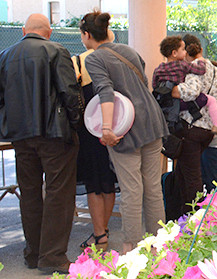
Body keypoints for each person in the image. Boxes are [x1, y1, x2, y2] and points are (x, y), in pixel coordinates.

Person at [81, 11, 168, 253]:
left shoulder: (94, 58)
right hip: (152, 121)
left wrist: (107, 129)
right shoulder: (127, 50)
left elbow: (105, 92)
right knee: (152, 188)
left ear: (87, 35)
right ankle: (158, 247)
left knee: (131, 190)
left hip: (126, 127)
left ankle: (132, 248)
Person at [0, 13, 81, 274]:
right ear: (49, 31)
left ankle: (33, 253)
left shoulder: (4, 56)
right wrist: (75, 122)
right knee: (59, 193)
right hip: (55, 134)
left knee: (30, 194)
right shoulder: (56, 50)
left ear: (24, 30)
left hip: (20, 137)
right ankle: (53, 257)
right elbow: (70, 93)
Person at [72, 30, 119, 252]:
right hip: (116, 127)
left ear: (86, 35)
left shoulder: (79, 62)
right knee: (108, 181)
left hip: (89, 129)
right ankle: (103, 230)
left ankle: (100, 233)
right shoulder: (119, 60)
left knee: (94, 183)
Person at [171, 34, 217, 217]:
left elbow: (189, 91)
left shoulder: (195, 67)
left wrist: (168, 90)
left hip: (193, 128)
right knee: (194, 175)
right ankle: (208, 214)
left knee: (192, 178)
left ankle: (192, 220)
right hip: (210, 131)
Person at [180, 34, 217, 193]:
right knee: (215, 184)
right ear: (200, 48)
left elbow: (188, 95)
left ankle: (196, 216)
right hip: (216, 134)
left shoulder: (191, 69)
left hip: (195, 133)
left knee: (194, 183)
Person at [153, 35, 217, 134]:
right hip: (187, 110)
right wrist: (202, 62)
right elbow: (200, 70)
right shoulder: (182, 65)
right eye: (183, 49)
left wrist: (165, 90)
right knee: (210, 100)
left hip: (168, 103)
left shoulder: (159, 69)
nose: (185, 52)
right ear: (174, 53)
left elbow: (155, 85)